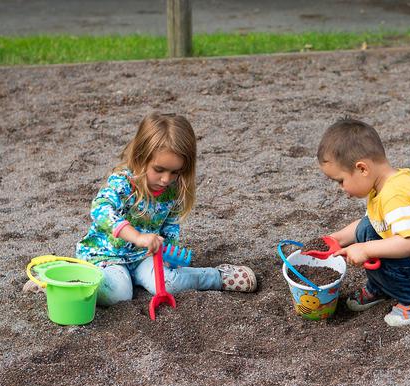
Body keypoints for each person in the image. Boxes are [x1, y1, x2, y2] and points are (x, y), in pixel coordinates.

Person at [25, 113, 256, 306]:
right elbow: (100, 209)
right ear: (140, 157)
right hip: (108, 256)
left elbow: (170, 225)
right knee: (118, 294)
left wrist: (166, 249)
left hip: (144, 257)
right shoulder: (124, 182)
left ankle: (218, 277)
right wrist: (136, 236)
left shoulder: (173, 189)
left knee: (167, 284)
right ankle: (61, 281)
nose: (166, 179)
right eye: (159, 169)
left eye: (175, 172)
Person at [317, 117, 410, 326]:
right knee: (368, 230)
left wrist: (366, 249)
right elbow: (370, 223)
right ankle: (382, 287)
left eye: (341, 181)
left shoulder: (396, 195)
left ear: (362, 169)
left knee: (375, 247)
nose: (341, 188)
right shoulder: (384, 185)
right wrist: (336, 239)